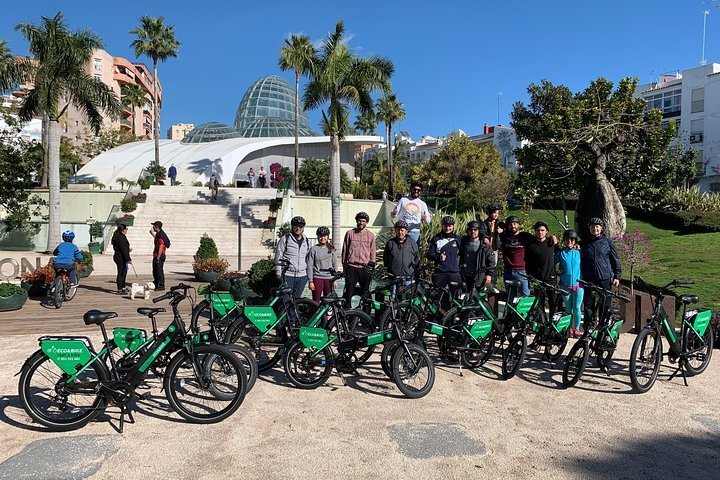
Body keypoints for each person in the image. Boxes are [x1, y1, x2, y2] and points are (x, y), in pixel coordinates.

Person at [580, 217, 622, 328]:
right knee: (588, 305)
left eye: (597, 227)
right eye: (592, 227)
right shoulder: (584, 243)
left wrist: (617, 276)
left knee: (605, 304)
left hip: (604, 278)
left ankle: (602, 326)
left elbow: (615, 260)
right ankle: (588, 327)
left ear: (601, 228)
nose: (595, 229)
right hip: (589, 278)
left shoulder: (607, 242)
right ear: (589, 228)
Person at [499, 215, 536, 305]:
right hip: (508, 271)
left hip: (522, 272)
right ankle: (510, 318)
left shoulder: (525, 236)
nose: (513, 226)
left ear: (519, 225)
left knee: (525, 298)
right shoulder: (504, 237)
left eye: (515, 224)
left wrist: (552, 239)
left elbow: (540, 241)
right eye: (510, 224)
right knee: (510, 300)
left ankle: (524, 318)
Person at [525, 220, 559, 317]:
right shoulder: (531, 246)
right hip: (537, 279)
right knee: (540, 304)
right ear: (535, 231)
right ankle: (542, 324)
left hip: (550, 278)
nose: (540, 232)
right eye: (538, 230)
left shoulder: (551, 242)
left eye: (542, 230)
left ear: (547, 231)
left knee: (553, 303)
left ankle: (552, 325)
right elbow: (527, 262)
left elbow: (562, 253)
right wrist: (530, 276)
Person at [342, 211, 376, 305]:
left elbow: (372, 253)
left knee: (365, 294)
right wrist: (345, 269)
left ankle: (365, 315)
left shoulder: (371, 236)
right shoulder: (350, 233)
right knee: (348, 292)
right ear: (356, 221)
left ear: (366, 222)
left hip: (365, 269)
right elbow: (345, 251)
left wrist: (371, 268)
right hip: (352, 267)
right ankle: (347, 315)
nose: (361, 223)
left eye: (364, 221)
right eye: (359, 221)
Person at [426, 216, 462, 298]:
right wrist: (438, 257)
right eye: (445, 226)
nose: (447, 228)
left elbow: (463, 253)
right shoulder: (436, 239)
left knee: (456, 298)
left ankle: (454, 311)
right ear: (442, 226)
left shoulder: (458, 239)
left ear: (453, 226)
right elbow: (428, 253)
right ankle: (436, 310)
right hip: (440, 273)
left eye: (450, 226)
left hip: (454, 273)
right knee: (436, 297)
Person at [556, 230, 583, 338]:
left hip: (579, 285)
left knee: (577, 307)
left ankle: (576, 328)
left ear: (575, 241)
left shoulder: (579, 252)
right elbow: (552, 263)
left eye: (572, 240)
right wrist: (557, 273)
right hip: (565, 285)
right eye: (567, 239)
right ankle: (568, 328)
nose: (569, 241)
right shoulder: (561, 253)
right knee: (568, 308)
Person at [276, 216, 311, 299]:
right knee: (286, 300)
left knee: (296, 300)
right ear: (292, 226)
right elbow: (278, 256)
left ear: (303, 228)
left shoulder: (306, 241)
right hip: (288, 275)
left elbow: (308, 258)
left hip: (302, 276)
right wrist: (278, 273)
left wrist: (308, 276)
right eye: (296, 226)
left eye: (301, 226)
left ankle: (293, 313)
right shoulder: (285, 239)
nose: (298, 228)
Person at [459, 221, 495, 294]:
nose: (473, 231)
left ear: (479, 231)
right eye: (471, 230)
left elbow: (491, 261)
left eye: (475, 230)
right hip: (466, 276)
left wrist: (489, 274)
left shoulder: (484, 245)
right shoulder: (463, 242)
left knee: (478, 299)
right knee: (466, 299)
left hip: (479, 276)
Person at [392, 181, 431, 247]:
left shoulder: (422, 204)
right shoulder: (403, 200)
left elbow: (428, 221)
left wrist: (425, 218)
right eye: (414, 189)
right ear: (411, 189)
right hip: (402, 231)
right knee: (400, 250)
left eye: (418, 190)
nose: (416, 191)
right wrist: (393, 213)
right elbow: (393, 216)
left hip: (415, 232)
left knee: (413, 252)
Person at [383, 220, 419, 288]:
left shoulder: (412, 244)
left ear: (406, 231)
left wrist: (416, 276)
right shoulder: (390, 243)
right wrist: (388, 273)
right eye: (398, 230)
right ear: (395, 231)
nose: (400, 232)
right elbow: (386, 259)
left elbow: (416, 260)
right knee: (393, 298)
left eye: (402, 230)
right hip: (394, 278)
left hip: (408, 279)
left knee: (407, 298)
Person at [307, 226, 337, 303]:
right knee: (316, 301)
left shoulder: (332, 249)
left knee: (329, 302)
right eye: (320, 236)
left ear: (328, 237)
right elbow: (310, 266)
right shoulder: (313, 249)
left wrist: (335, 279)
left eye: (324, 236)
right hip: (317, 277)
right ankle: (316, 314)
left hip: (329, 278)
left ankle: (328, 315)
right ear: (317, 237)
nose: (322, 238)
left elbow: (335, 264)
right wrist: (310, 281)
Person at [149, 221, 170, 291]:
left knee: (159, 271)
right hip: (156, 255)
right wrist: (153, 234)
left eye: (154, 226)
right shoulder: (159, 234)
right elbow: (158, 240)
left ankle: (161, 285)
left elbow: (161, 246)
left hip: (159, 256)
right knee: (155, 271)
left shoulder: (161, 235)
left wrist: (158, 257)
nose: (153, 227)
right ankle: (156, 282)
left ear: (156, 227)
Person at [111, 224, 132, 294]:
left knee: (124, 272)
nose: (127, 230)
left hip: (120, 256)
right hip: (120, 257)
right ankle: (120, 288)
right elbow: (123, 249)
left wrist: (128, 249)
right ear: (123, 230)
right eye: (126, 229)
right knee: (121, 273)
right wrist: (128, 258)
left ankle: (123, 287)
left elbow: (124, 248)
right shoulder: (120, 237)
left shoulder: (120, 236)